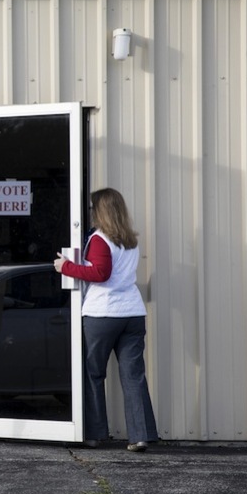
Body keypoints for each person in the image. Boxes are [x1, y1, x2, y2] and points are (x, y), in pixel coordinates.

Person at [54, 187, 158, 452]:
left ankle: (94, 434)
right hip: (132, 314)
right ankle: (140, 435)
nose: (89, 213)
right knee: (133, 376)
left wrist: (65, 267)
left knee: (93, 374)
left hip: (103, 314)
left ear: (99, 211)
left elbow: (100, 273)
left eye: (91, 208)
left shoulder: (100, 239)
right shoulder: (130, 240)